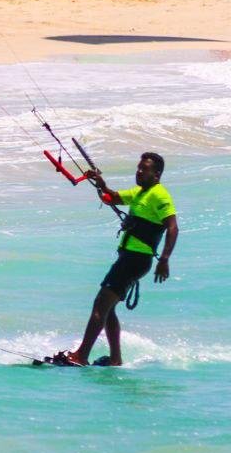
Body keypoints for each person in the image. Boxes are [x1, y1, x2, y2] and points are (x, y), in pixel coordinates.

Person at [54, 153, 178, 367]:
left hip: (136, 260)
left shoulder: (160, 196)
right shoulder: (140, 193)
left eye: (145, 169)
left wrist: (164, 259)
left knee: (100, 304)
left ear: (157, 174)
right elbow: (112, 198)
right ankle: (115, 358)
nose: (139, 172)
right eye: (138, 168)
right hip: (129, 259)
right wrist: (100, 184)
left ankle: (81, 356)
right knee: (108, 308)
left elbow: (172, 227)